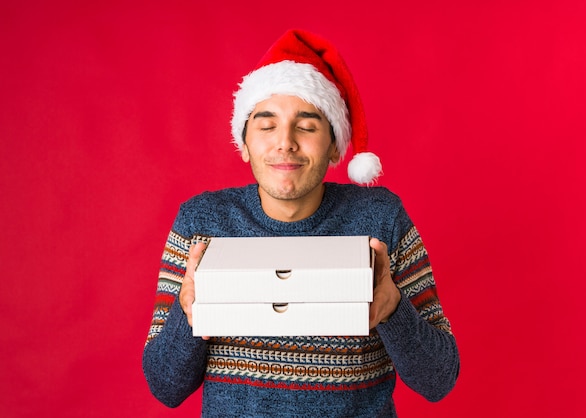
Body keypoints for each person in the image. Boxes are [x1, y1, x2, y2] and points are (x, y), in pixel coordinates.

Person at [142, 29, 460, 417]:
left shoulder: (381, 218)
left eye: (307, 126)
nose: (286, 142)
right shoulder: (201, 223)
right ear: (243, 144)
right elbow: (165, 387)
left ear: (334, 146)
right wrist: (186, 314)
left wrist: (393, 310)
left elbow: (439, 379)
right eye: (266, 125)